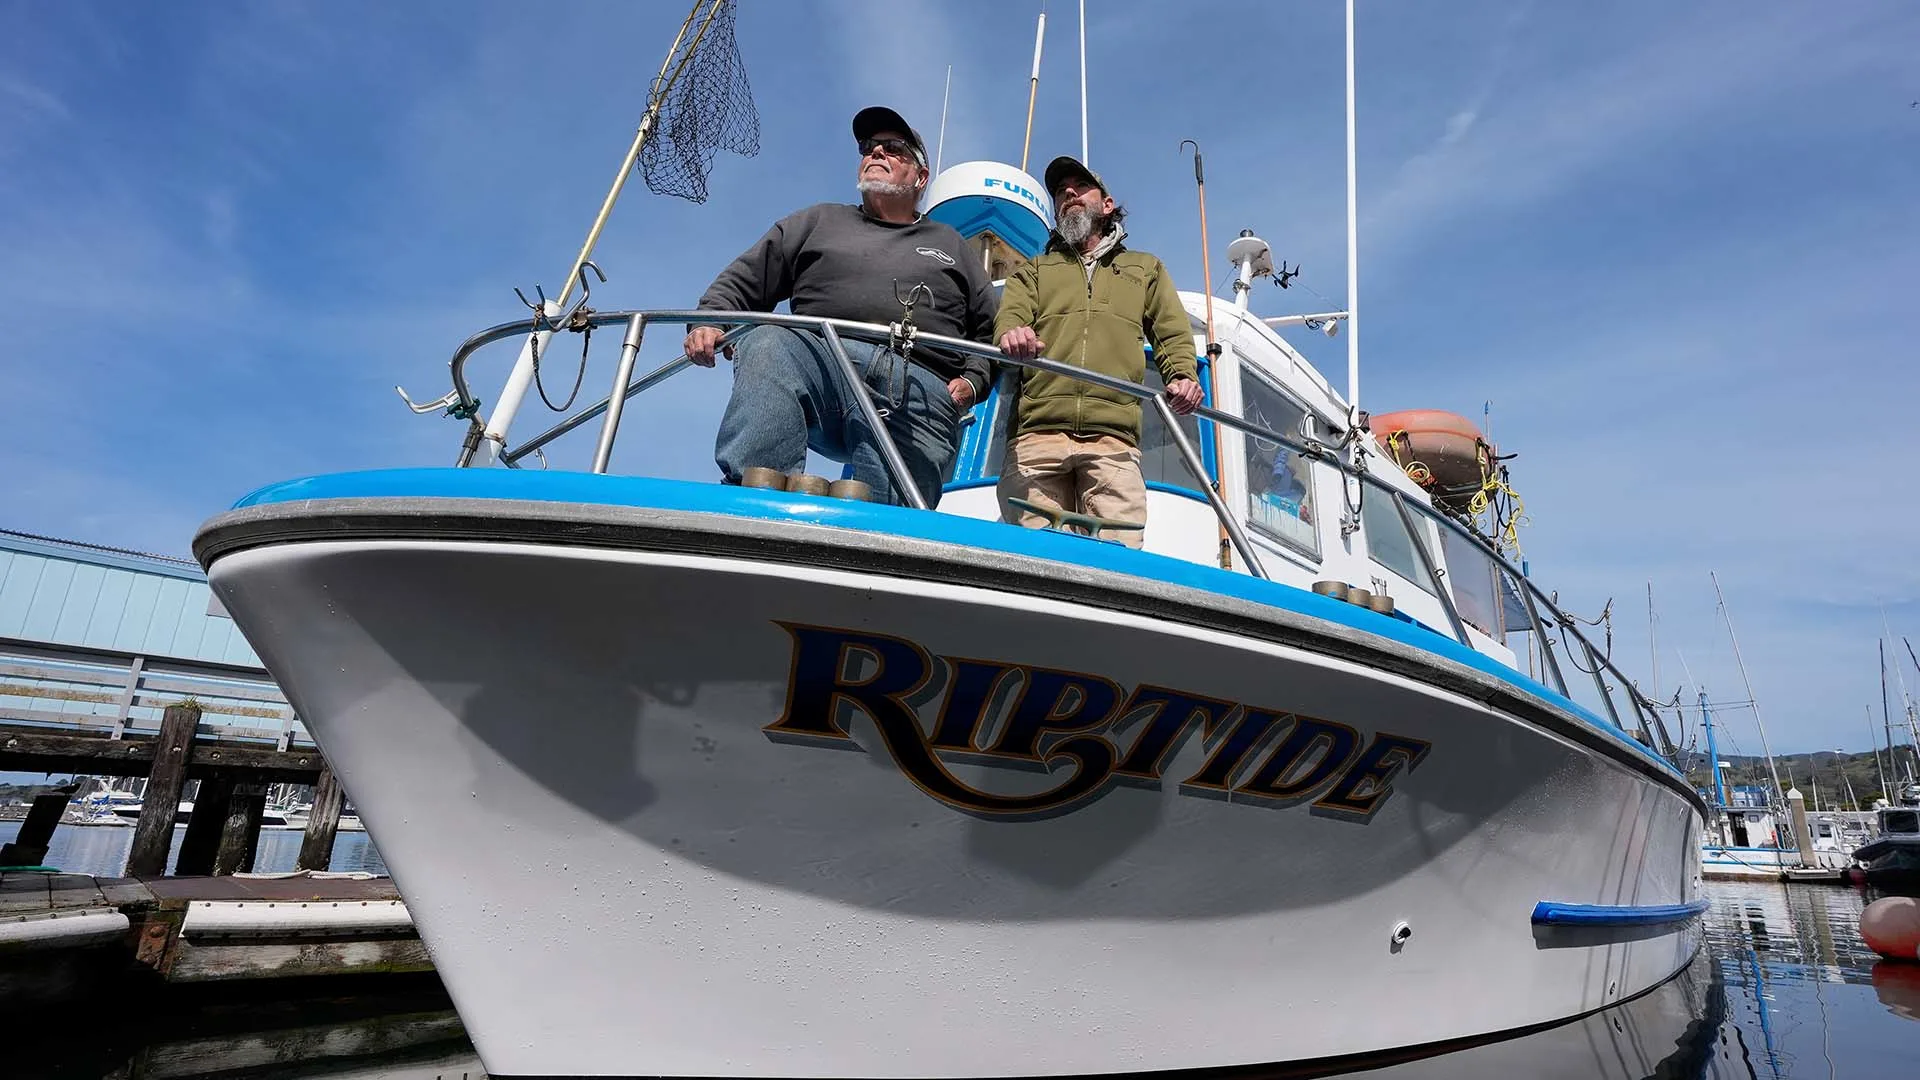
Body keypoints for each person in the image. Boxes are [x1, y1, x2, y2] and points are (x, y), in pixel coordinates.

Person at [684, 106, 998, 508]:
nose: (876, 154)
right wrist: (708, 321)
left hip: (919, 380)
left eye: (893, 148)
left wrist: (973, 382)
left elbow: (991, 326)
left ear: (920, 178)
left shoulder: (951, 243)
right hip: (819, 358)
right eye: (869, 147)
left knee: (890, 522)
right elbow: (745, 279)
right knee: (769, 340)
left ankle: (885, 542)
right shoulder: (817, 221)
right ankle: (753, 504)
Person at [994, 155, 1202, 547]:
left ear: (1107, 205)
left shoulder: (1145, 269)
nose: (1068, 193)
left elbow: (1171, 333)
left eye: (1079, 186)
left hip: (1115, 443)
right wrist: (1012, 334)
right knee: (1034, 560)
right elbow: (1010, 318)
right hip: (1037, 435)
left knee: (1119, 562)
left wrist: (1182, 376)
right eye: (1060, 191)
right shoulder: (1033, 271)